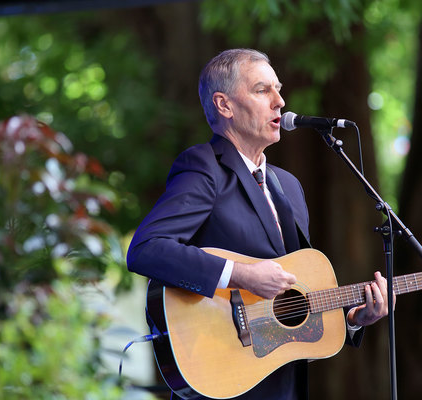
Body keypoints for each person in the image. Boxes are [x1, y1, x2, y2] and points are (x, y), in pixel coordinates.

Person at [127, 48, 394, 400]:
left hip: (283, 387)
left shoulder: (290, 187)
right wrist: (241, 274)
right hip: (221, 381)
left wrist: (352, 320)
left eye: (278, 89)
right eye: (262, 90)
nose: (280, 102)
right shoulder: (204, 168)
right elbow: (146, 249)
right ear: (224, 105)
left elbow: (289, 307)